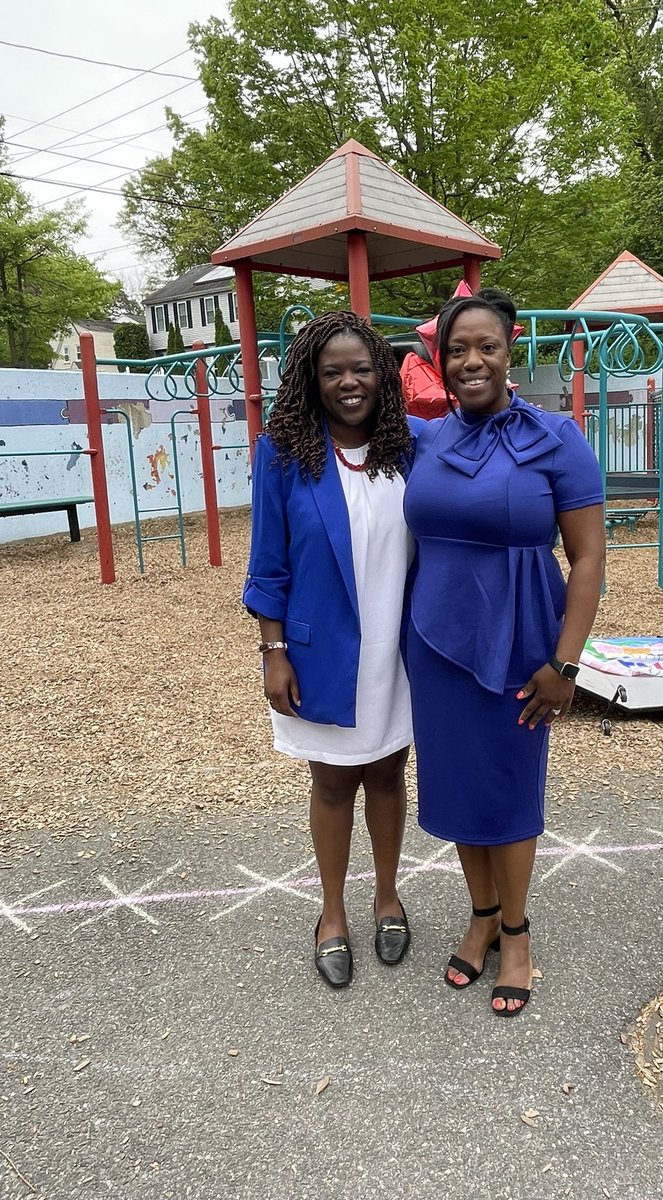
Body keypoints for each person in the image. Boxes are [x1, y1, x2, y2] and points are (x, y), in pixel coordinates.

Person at [403, 288, 606, 1017]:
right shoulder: (423, 439)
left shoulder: (559, 439)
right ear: (439, 360)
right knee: (459, 786)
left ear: (511, 348)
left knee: (511, 789)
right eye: (456, 350)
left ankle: (515, 930)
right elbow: (336, 412)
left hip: (525, 642)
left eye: (485, 346)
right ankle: (481, 914)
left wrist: (567, 663)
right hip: (433, 642)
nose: (471, 360)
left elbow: (587, 559)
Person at [243, 311, 424, 990]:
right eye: (332, 372)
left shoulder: (407, 448)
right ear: (310, 381)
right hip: (320, 651)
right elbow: (268, 564)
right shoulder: (283, 453)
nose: (349, 382)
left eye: (362, 368)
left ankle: (386, 898)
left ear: (382, 374)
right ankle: (331, 914)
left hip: (397, 652)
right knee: (331, 782)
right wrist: (273, 651)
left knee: (386, 776)